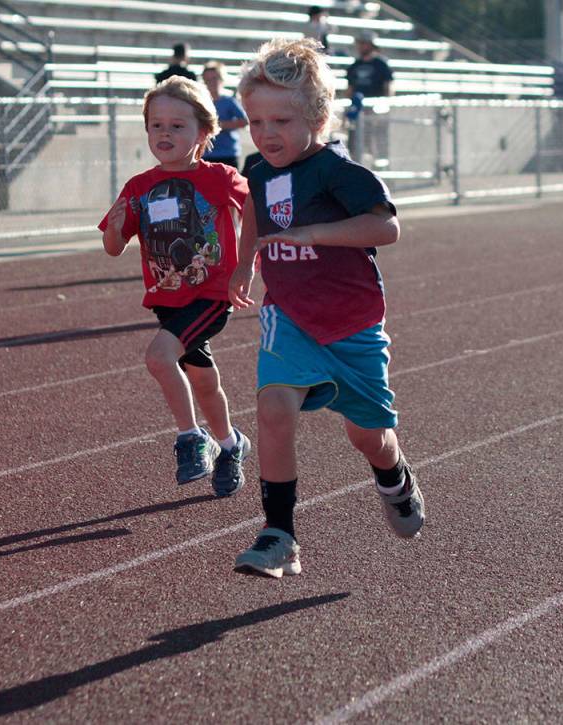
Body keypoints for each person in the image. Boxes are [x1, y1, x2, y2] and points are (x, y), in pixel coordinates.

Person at [228, 38, 424, 578]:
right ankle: (279, 534)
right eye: (256, 121)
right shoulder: (260, 169)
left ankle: (393, 475)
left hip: (351, 326)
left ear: (317, 117)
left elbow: (387, 226)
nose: (267, 134)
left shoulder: (339, 171)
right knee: (273, 410)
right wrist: (244, 264)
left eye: (281, 121)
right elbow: (252, 207)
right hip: (287, 315)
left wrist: (314, 232)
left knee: (368, 436)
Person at [98, 77, 251, 496]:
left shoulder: (221, 177)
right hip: (167, 299)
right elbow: (113, 247)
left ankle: (190, 438)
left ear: (203, 132)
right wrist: (113, 230)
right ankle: (230, 444)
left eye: (177, 126)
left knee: (159, 357)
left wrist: (246, 265)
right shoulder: (138, 187)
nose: (165, 134)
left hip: (210, 294)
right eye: (156, 125)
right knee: (203, 380)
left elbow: (259, 209)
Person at [346, 30, 394, 166]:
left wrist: (384, 106)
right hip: (358, 111)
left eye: (363, 43)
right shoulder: (354, 66)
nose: (360, 46)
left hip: (375, 112)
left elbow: (388, 87)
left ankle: (380, 168)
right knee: (355, 144)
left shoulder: (381, 64)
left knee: (377, 143)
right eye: (359, 43)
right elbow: (349, 90)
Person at [201, 61, 248, 169]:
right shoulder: (200, 102)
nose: (211, 83)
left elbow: (244, 121)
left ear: (222, 79)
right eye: (208, 80)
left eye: (214, 79)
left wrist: (219, 125)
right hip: (206, 154)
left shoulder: (229, 101)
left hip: (228, 153)